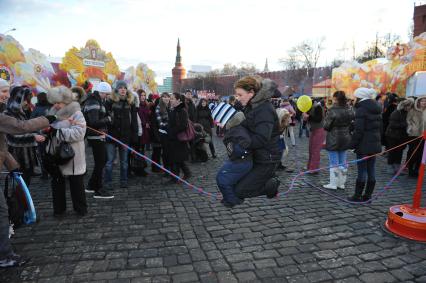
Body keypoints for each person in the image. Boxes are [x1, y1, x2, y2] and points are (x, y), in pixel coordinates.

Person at [0, 78, 55, 268]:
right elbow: (18, 130)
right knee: (2, 210)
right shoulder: (4, 114)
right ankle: (5, 255)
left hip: (18, 159)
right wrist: (49, 119)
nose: (6, 95)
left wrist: (12, 166)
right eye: (3, 91)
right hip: (19, 154)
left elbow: (2, 146)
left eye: (7, 91)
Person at [233, 77, 281, 199]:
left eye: (240, 94)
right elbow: (247, 127)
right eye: (236, 94)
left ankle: (272, 185)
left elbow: (261, 138)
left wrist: (242, 144)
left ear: (251, 93)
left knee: (240, 191)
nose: (237, 98)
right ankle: (269, 181)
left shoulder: (264, 109)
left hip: (267, 159)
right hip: (257, 156)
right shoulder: (252, 106)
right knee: (234, 183)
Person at [46, 86, 87, 216]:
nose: (56, 105)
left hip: (72, 155)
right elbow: (47, 128)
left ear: (66, 100)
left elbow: (80, 133)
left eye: (58, 102)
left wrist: (58, 132)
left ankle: (80, 209)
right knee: (57, 183)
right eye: (54, 103)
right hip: (56, 155)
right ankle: (59, 209)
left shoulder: (76, 112)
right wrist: (45, 131)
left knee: (76, 184)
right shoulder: (52, 113)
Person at [5, 86, 45, 186]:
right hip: (16, 158)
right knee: (18, 187)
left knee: (25, 185)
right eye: (25, 100)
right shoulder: (7, 114)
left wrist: (35, 132)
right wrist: (33, 137)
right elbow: (11, 138)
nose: (27, 103)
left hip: (26, 158)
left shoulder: (20, 113)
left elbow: (25, 129)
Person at [348, 88, 382, 202]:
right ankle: (368, 195)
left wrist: (352, 144)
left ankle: (357, 196)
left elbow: (359, 131)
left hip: (364, 145)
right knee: (371, 169)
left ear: (359, 97)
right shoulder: (376, 108)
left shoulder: (361, 109)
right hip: (374, 144)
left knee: (362, 171)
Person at [104, 80, 138, 189]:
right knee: (109, 161)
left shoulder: (130, 102)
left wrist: (134, 136)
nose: (123, 89)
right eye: (121, 87)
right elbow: (105, 117)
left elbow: (134, 121)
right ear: (117, 89)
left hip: (125, 136)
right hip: (112, 136)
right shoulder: (110, 102)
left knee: (124, 162)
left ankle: (124, 180)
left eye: (124, 87)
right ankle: (107, 182)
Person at [83, 81, 114, 199]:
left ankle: (91, 185)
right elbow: (93, 122)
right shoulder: (93, 102)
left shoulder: (97, 100)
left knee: (101, 161)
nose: (107, 96)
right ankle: (98, 189)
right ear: (102, 92)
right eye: (106, 94)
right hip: (95, 136)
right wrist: (108, 118)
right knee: (101, 161)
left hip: (98, 135)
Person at [216, 112, 252, 207]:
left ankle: (232, 200)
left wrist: (237, 150)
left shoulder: (239, 130)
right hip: (238, 160)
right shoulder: (236, 129)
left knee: (222, 178)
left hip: (242, 161)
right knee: (225, 178)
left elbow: (246, 143)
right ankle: (230, 198)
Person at [323, 91, 354, 190]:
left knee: (334, 162)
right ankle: (341, 183)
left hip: (334, 137)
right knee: (343, 161)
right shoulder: (349, 109)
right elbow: (352, 122)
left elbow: (326, 126)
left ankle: (333, 183)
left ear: (336, 98)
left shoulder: (332, 110)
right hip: (345, 137)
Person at [168, 93, 191, 182]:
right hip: (174, 138)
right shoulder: (173, 110)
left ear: (179, 100)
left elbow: (183, 125)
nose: (171, 100)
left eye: (172, 98)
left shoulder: (182, 111)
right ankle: (184, 174)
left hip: (179, 139)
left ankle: (176, 177)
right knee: (177, 159)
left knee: (177, 159)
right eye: (171, 98)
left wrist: (172, 131)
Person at [385, 98, 413, 175]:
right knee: (392, 152)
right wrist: (405, 125)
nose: (410, 108)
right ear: (405, 106)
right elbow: (392, 125)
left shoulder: (408, 113)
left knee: (399, 152)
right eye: (409, 106)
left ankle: (397, 168)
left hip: (402, 136)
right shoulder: (396, 113)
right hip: (392, 136)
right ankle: (390, 167)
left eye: (410, 106)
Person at [31, 92, 52, 179]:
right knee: (51, 152)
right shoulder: (51, 107)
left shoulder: (36, 108)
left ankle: (44, 173)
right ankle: (52, 170)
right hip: (51, 133)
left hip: (40, 135)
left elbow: (31, 121)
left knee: (42, 154)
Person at [406, 96, 426, 177]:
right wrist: (411, 127)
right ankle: (410, 169)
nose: (424, 103)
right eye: (422, 101)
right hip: (414, 135)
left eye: (425, 101)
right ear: (418, 102)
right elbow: (408, 120)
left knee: (421, 154)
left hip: (424, 136)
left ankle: (417, 169)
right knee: (413, 152)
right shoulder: (413, 111)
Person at [305, 99, 325, 172]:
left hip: (319, 130)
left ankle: (313, 168)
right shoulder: (310, 108)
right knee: (311, 149)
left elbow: (318, 119)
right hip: (313, 130)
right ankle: (310, 166)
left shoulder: (318, 107)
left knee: (315, 150)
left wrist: (308, 117)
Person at [156, 92, 171, 172]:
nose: (166, 98)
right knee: (165, 152)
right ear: (161, 98)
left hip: (171, 133)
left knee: (171, 152)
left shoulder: (171, 106)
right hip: (163, 133)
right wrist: (168, 125)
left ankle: (171, 167)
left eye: (168, 97)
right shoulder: (159, 107)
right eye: (164, 97)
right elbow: (160, 123)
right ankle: (166, 168)